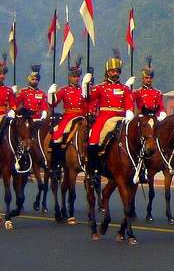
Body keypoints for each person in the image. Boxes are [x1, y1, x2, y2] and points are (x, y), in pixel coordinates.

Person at [83, 51, 134, 188]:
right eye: (112, 71)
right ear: (107, 72)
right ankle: (93, 171)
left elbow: (129, 103)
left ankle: (139, 169)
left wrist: (129, 112)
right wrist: (86, 83)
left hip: (121, 117)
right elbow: (88, 98)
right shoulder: (100, 88)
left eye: (117, 71)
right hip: (104, 118)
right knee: (93, 141)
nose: (115, 73)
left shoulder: (125, 89)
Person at [47, 58, 87, 177]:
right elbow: (53, 103)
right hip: (68, 117)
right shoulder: (64, 90)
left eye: (77, 77)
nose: (76, 79)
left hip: (81, 117)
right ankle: (56, 165)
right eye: (74, 76)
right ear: (69, 77)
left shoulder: (83, 90)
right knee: (57, 137)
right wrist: (51, 94)